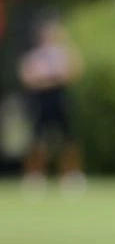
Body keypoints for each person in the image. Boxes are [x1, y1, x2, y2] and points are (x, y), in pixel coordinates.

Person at [19, 12, 85, 192]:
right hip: (40, 100)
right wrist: (50, 78)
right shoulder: (35, 55)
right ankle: (34, 175)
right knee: (37, 138)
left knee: (68, 138)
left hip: (60, 98)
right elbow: (28, 77)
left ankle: (71, 174)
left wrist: (52, 77)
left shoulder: (64, 53)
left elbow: (72, 72)